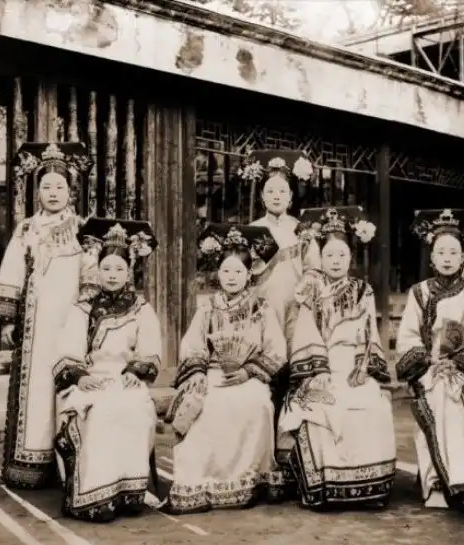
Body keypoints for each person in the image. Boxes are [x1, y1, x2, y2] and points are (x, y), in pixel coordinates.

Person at [0, 142, 96, 489]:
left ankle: (72, 464)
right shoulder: (27, 229)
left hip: (72, 323)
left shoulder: (83, 230)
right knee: (36, 390)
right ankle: (34, 460)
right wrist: (9, 319)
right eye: (46, 186)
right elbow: (12, 271)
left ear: (71, 191)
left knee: (70, 384)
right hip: (35, 326)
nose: (53, 193)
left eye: (60, 187)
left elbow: (91, 275)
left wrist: (87, 314)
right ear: (37, 192)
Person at [164, 223, 286, 514]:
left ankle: (248, 478)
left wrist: (249, 371)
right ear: (218, 273)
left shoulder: (261, 307)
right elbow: (193, 344)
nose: (231, 277)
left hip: (249, 375)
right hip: (214, 373)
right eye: (226, 271)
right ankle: (202, 480)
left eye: (238, 271)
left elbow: (276, 349)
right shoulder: (208, 308)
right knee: (207, 405)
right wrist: (197, 373)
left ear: (249, 274)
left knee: (257, 404)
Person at [279, 206, 396, 509]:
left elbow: (369, 332)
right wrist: (318, 371)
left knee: (372, 403)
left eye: (341, 255)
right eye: (329, 255)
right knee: (321, 403)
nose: (335, 260)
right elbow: (305, 333)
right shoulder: (311, 291)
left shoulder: (362, 291)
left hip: (353, 365)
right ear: (320, 258)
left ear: (350, 258)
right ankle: (324, 486)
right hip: (321, 365)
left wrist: (363, 368)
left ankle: (369, 486)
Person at [53, 218, 161, 522]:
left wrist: (135, 372)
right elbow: (67, 352)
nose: (112, 275)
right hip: (91, 379)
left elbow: (150, 351)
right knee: (100, 413)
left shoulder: (141, 309)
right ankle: (94, 494)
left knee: (134, 409)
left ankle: (130, 491)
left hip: (126, 379)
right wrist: (81, 377)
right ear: (97, 271)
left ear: (129, 272)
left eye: (119, 269)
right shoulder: (83, 308)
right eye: (106, 268)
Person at [396, 209, 464, 512]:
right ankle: (450, 482)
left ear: (463, 257)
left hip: (463, 371)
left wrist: (459, 363)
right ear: (432, 258)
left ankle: (443, 481)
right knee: (439, 393)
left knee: (451, 395)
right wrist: (428, 361)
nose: (447, 258)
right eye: (441, 252)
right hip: (428, 368)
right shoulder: (419, 293)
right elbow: (408, 336)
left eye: (453, 252)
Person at [246, 150, 321, 499]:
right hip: (264, 310)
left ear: (291, 196)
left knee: (295, 377)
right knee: (267, 379)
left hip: (295, 310)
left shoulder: (301, 230)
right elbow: (244, 273)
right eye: (270, 191)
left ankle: (292, 457)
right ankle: (264, 459)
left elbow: (314, 269)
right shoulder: (253, 230)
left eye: (282, 191)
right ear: (262, 196)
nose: (276, 196)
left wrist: (308, 284)